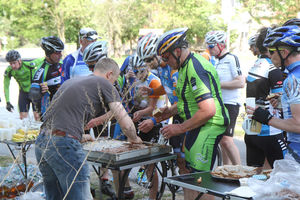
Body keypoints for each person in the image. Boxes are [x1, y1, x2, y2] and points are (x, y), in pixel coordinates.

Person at [35, 58, 142, 200]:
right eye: (115, 80)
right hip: (63, 145)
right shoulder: (104, 83)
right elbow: (125, 121)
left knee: (55, 196)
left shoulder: (71, 82)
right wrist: (135, 139)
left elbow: (59, 120)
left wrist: (80, 136)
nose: (114, 84)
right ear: (109, 74)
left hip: (42, 142)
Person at [156, 27, 229, 200]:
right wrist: (169, 111)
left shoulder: (195, 67)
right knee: (189, 176)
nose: (165, 62)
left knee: (201, 181)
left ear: (177, 51)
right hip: (197, 124)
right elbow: (186, 102)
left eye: (166, 57)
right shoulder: (184, 67)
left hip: (209, 125)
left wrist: (179, 128)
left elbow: (208, 110)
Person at [136, 32, 188, 177]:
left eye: (149, 59)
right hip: (177, 115)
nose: (147, 64)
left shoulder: (175, 71)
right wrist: (154, 90)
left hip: (186, 115)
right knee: (178, 158)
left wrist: (153, 120)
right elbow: (167, 87)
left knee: (185, 162)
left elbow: (176, 106)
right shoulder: (161, 68)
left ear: (159, 54)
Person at [248, 25, 300, 163]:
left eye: (272, 51)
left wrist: (267, 118)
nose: (269, 56)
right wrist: (285, 103)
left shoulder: (293, 79)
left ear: (283, 53)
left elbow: (298, 125)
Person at [244, 27, 287, 169]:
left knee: (255, 178)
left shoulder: (256, 65)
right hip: (270, 131)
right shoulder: (272, 69)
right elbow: (281, 104)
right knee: (281, 176)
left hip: (251, 131)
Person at [205, 30, 244, 165]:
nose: (209, 50)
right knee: (222, 140)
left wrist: (218, 85)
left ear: (221, 45)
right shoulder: (216, 61)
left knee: (227, 140)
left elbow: (240, 82)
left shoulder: (231, 59)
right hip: (220, 104)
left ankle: (240, 172)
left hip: (231, 103)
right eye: (208, 47)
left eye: (211, 46)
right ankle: (227, 170)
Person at [29, 36, 64, 120]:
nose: (60, 55)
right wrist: (40, 91)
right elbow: (33, 95)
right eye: (57, 52)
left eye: (60, 52)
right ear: (48, 53)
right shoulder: (42, 69)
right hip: (49, 112)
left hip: (65, 108)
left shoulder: (63, 63)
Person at [3, 50, 41, 120]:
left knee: (37, 117)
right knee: (23, 119)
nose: (13, 66)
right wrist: (7, 101)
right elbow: (6, 86)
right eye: (10, 63)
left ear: (19, 60)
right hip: (23, 93)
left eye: (14, 63)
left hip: (35, 92)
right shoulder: (9, 71)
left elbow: (43, 59)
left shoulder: (29, 64)